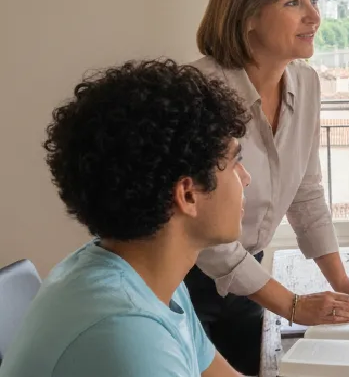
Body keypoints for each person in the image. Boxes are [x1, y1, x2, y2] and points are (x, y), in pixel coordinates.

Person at [187, 0, 349, 375]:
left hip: (247, 277)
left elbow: (306, 192)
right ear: (248, 14)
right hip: (183, 283)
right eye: (293, 2)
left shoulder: (305, 84)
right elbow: (206, 237)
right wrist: (292, 304)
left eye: (314, 0)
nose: (314, 16)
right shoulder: (198, 91)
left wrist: (341, 282)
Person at [0, 59, 250, 376]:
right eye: (234, 164)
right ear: (187, 195)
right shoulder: (127, 332)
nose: (245, 178)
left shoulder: (149, 275)